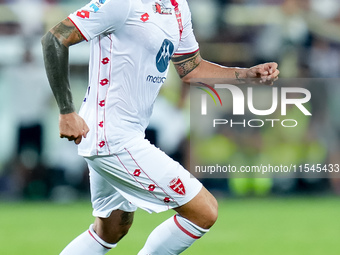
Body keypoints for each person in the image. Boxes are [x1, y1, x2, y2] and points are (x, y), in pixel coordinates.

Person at [41, 0, 279, 254]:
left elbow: (191, 69)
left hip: (124, 133)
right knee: (204, 211)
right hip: (111, 135)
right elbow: (54, 39)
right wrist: (66, 110)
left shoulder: (177, 7)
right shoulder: (122, 3)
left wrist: (244, 75)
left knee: (111, 229)